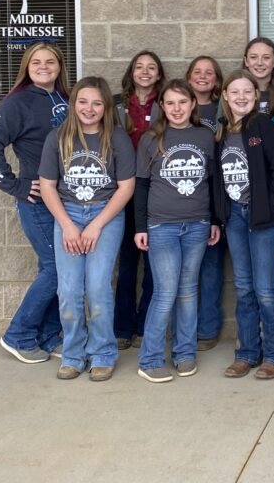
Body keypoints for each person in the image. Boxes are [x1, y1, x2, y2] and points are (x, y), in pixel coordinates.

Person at [38, 76, 135, 382]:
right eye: (83, 101)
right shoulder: (58, 137)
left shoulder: (116, 138)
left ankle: (103, 352)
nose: (89, 108)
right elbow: (47, 185)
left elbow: (126, 186)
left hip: (104, 216)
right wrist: (67, 225)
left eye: (96, 103)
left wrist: (96, 225)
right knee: (68, 290)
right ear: (73, 104)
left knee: (97, 287)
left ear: (106, 106)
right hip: (67, 216)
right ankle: (73, 354)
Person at [0, 42, 69, 364]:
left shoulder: (66, 99)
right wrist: (13, 184)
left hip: (68, 201)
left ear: (59, 66)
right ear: (27, 67)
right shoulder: (16, 103)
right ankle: (18, 334)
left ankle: (48, 335)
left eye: (50, 62)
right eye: (36, 62)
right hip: (38, 202)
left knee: (59, 268)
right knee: (56, 269)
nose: (44, 67)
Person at [133, 79, 221, 383]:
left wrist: (214, 220)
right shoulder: (151, 138)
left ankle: (185, 353)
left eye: (182, 102)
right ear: (162, 106)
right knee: (165, 293)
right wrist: (140, 226)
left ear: (193, 104)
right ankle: (151, 358)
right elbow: (141, 185)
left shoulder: (204, 136)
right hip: (162, 226)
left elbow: (212, 183)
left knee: (187, 292)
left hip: (197, 224)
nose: (177, 108)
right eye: (170, 103)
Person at [211, 70, 274, 380]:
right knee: (243, 288)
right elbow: (217, 179)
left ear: (255, 97)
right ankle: (246, 353)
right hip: (234, 218)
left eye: (248, 91)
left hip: (262, 220)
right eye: (235, 92)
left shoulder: (264, 127)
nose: (242, 96)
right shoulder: (221, 133)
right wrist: (221, 215)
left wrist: (270, 205)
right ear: (226, 97)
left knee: (265, 290)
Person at [113, 50, 165, 350]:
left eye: (151, 68)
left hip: (155, 192)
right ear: (131, 72)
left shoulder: (166, 104)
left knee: (154, 264)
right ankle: (123, 327)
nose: (145, 72)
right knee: (127, 264)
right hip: (122, 192)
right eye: (139, 67)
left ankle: (147, 323)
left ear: (159, 74)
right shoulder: (117, 105)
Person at [186, 55, 225, 352]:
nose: (202, 76)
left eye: (208, 72)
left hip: (218, 192)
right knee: (183, 270)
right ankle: (183, 328)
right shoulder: (176, 106)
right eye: (197, 72)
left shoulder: (223, 108)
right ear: (188, 78)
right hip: (182, 195)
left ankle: (208, 328)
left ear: (217, 79)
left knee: (210, 266)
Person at [243, 37, 274, 136]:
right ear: (246, 61)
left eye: (266, 57)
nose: (259, 63)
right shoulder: (232, 93)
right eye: (253, 57)